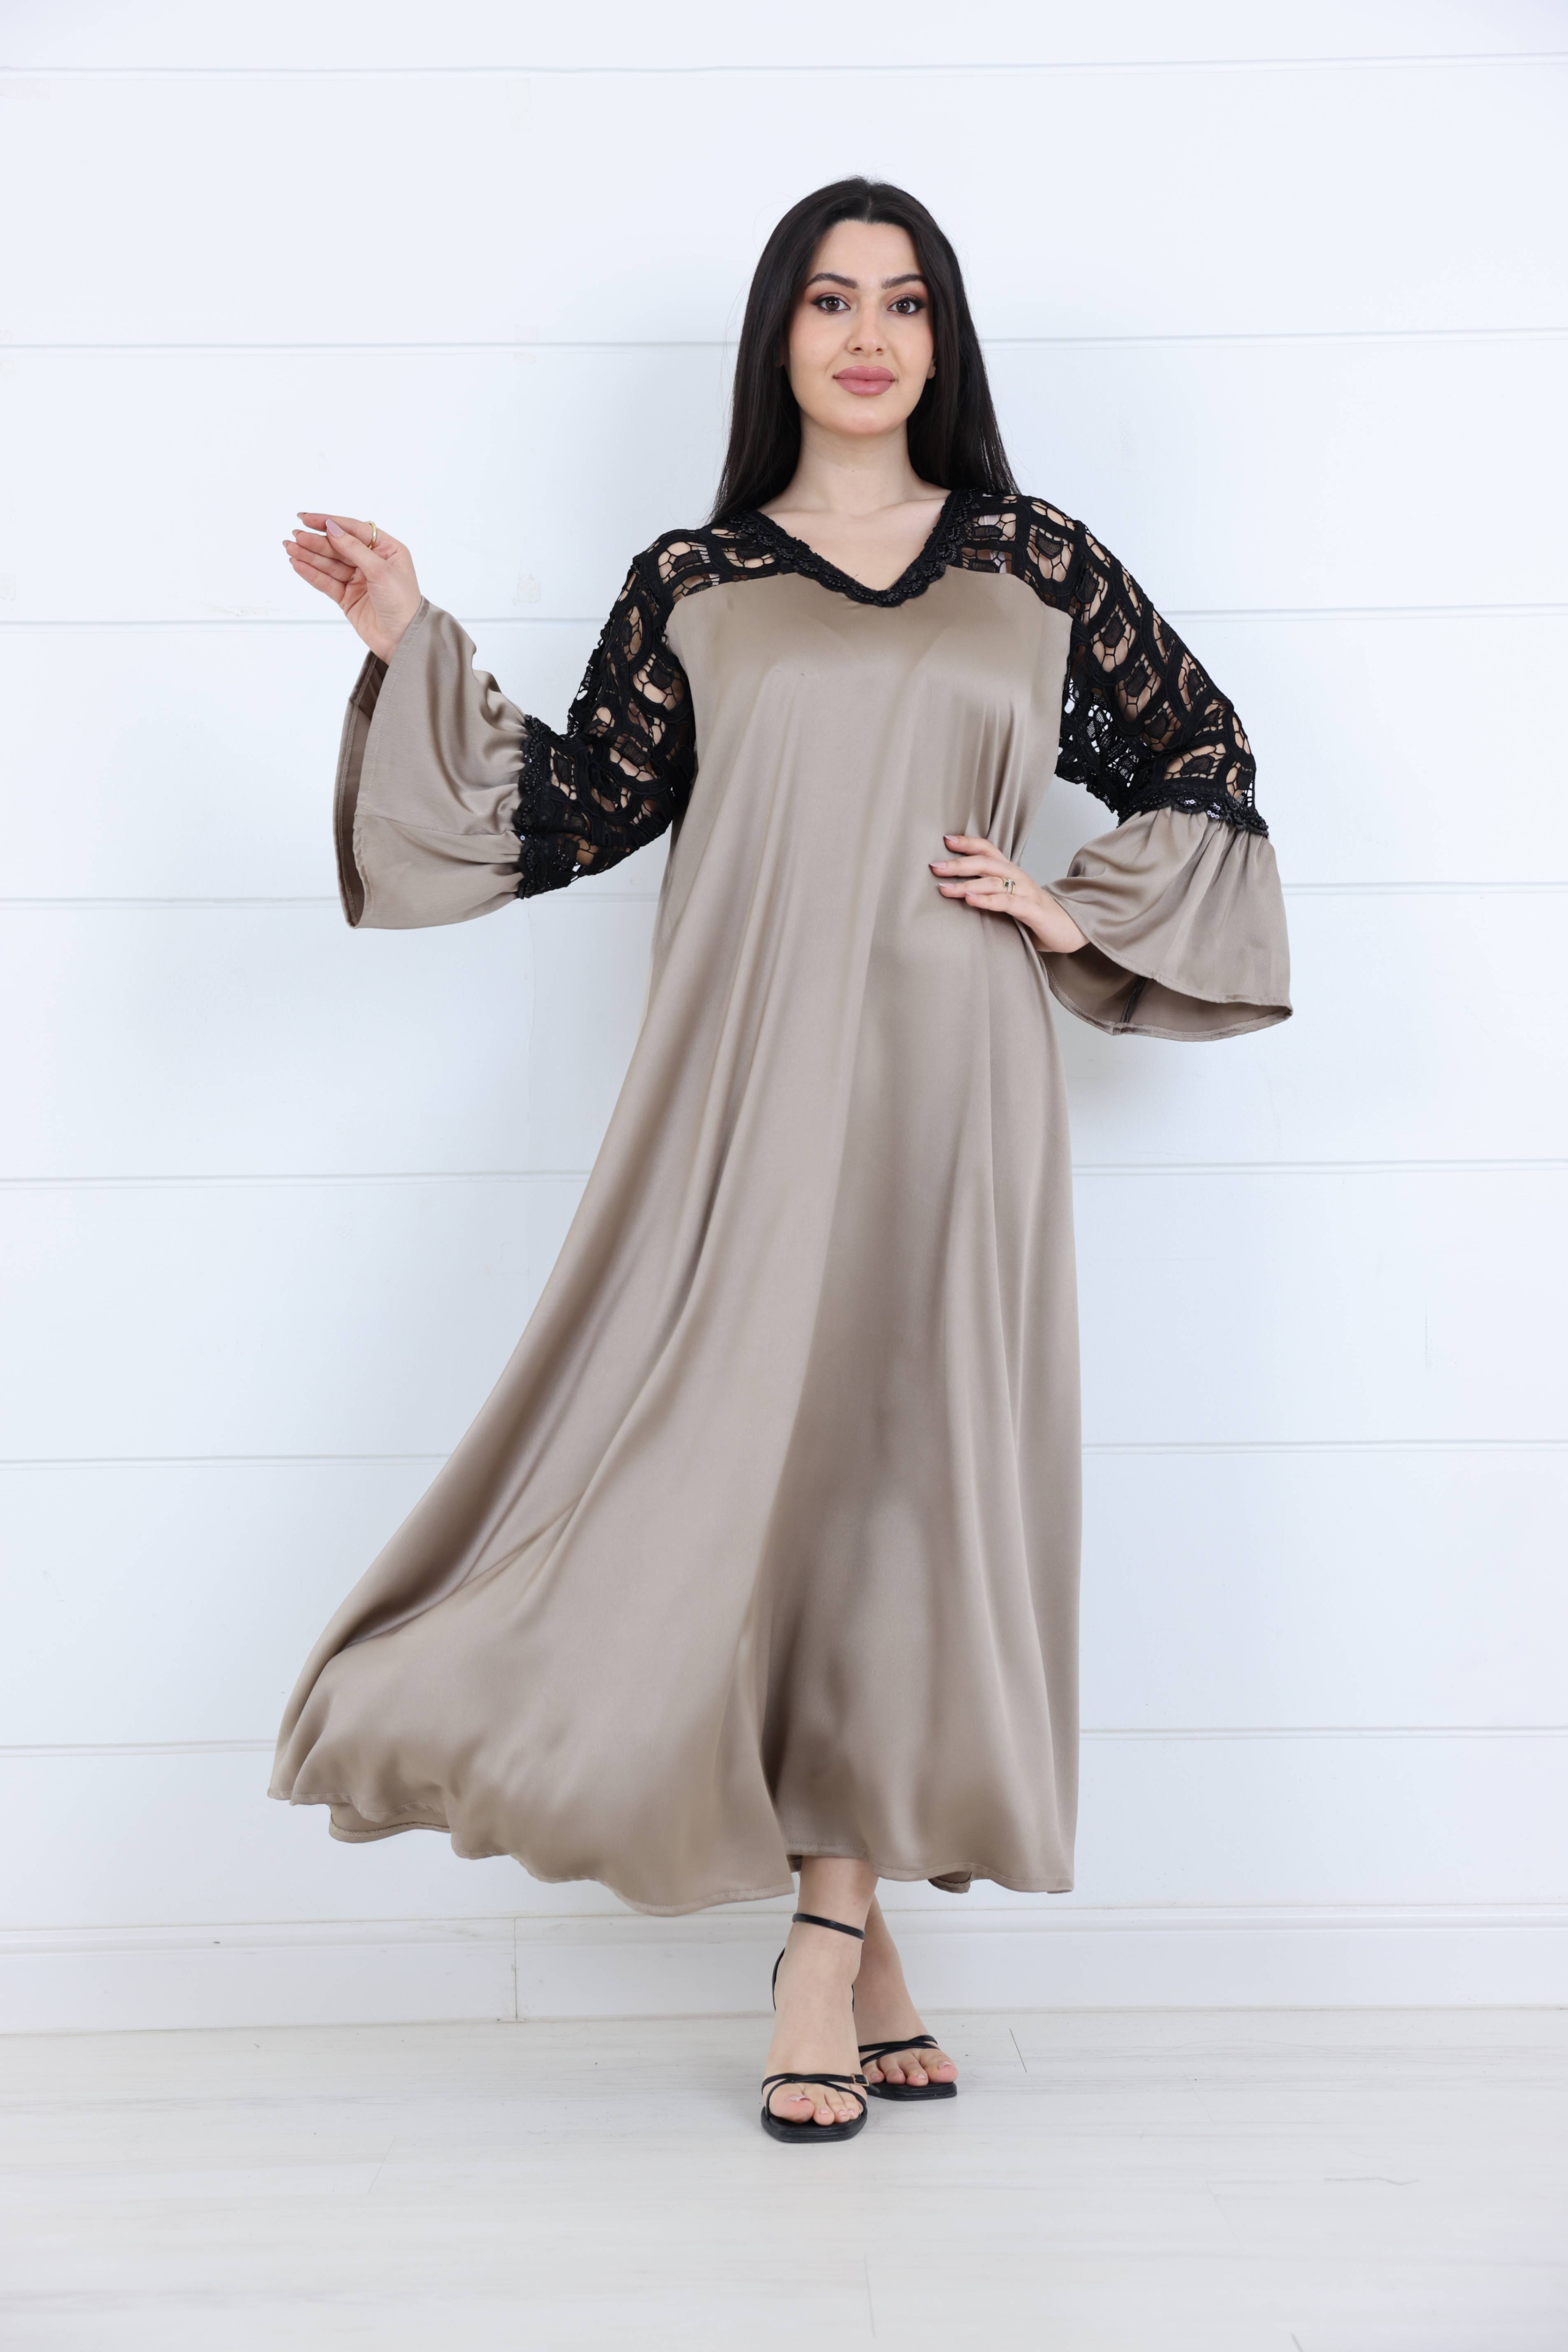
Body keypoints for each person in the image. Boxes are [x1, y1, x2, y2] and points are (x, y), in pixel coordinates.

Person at [272, 178, 1291, 2144]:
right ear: (779, 338)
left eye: (903, 302)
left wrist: (1067, 910)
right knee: (737, 1475)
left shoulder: (1035, 561)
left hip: (956, 1089)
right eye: (829, 299)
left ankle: (821, 1939)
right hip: (739, 1088)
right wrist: (403, 631)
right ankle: (855, 1940)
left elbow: (1203, 763)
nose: (867, 334)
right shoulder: (696, 580)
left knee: (908, 1478)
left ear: (941, 341)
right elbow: (569, 810)